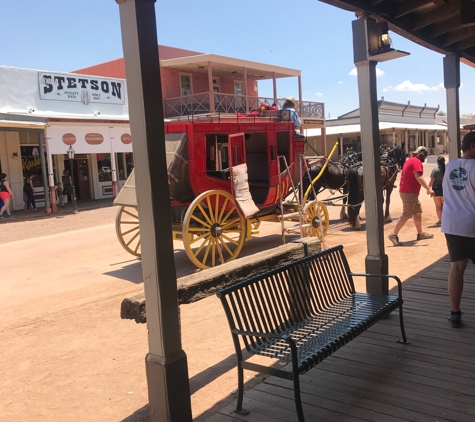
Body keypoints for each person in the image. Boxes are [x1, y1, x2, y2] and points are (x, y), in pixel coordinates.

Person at [442, 132, 475, 328]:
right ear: (472, 146)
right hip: (472, 223)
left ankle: (455, 312)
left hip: (452, 223)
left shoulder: (451, 165)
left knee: (456, 267)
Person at [387, 146, 434, 246]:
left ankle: (420, 233)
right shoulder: (416, 162)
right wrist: (429, 189)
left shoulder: (410, 160)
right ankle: (393, 234)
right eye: (425, 156)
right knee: (407, 213)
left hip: (409, 192)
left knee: (418, 211)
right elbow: (418, 177)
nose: (425, 159)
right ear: (421, 154)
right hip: (409, 193)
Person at [428, 156, 445, 226]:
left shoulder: (435, 170)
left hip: (436, 188)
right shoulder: (446, 169)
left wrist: (429, 188)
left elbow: (432, 180)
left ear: (437, 162)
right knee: (444, 206)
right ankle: (445, 220)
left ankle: (440, 221)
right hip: (444, 188)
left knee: (438, 206)